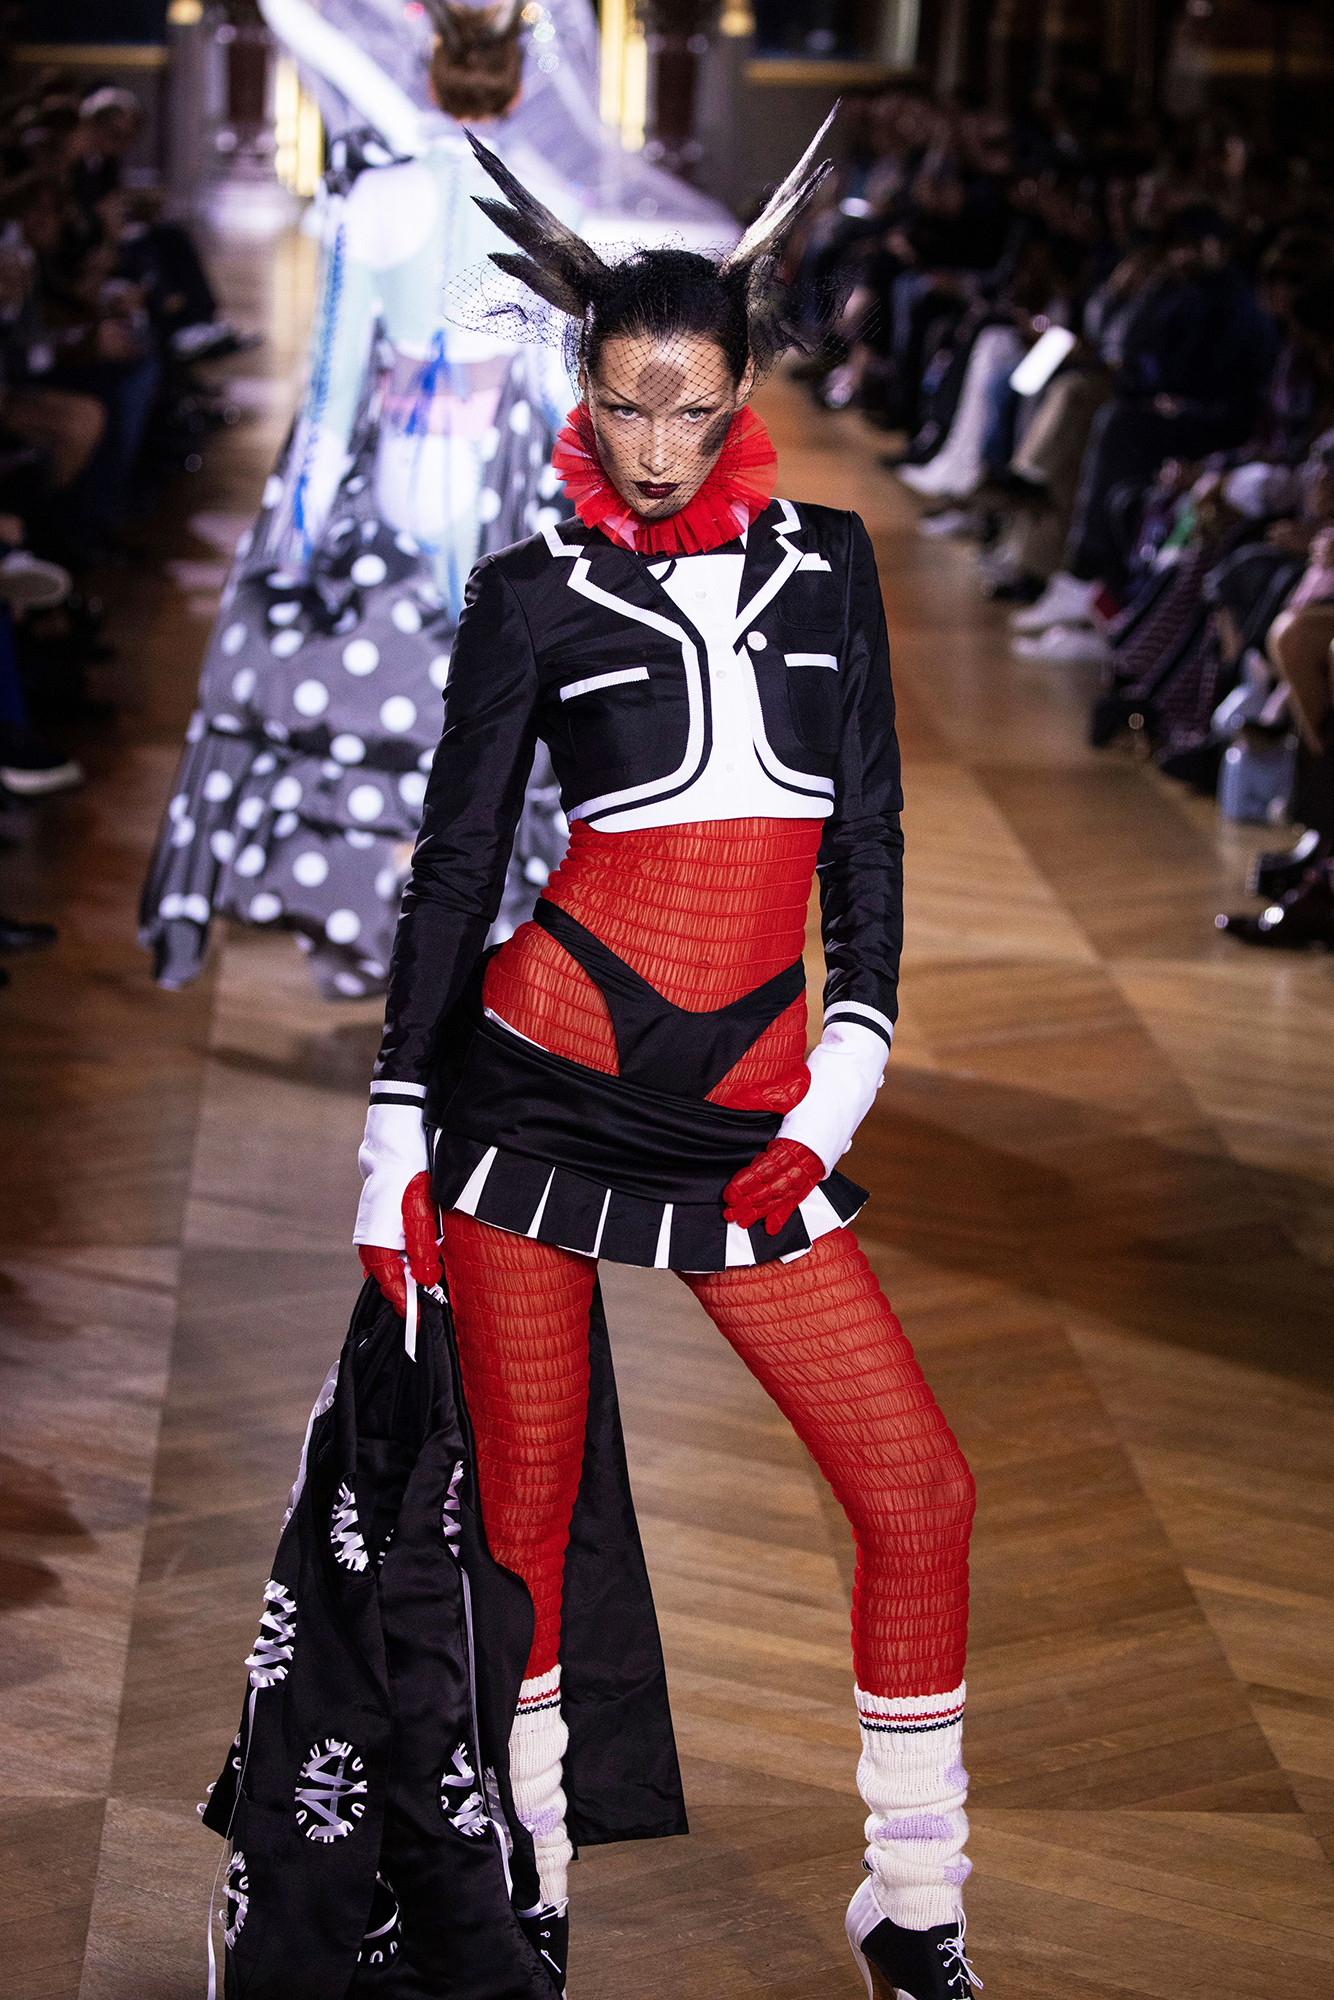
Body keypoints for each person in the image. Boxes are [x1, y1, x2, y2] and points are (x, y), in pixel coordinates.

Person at [349, 122, 979, 2000]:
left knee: (918, 1491)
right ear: (582, 384)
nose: (652, 445)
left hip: (753, 1118)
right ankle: (527, 1878)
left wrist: (842, 1079)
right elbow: (458, 866)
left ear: (740, 391)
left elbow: (865, 840)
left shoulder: (831, 567)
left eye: (690, 408)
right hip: (530, 1092)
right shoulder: (528, 591)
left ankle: (915, 1903)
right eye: (623, 404)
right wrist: (392, 1135)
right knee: (521, 1516)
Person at [140, 1, 578, 1000]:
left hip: (394, 468)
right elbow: (562, 389)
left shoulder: (376, 195)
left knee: (381, 697)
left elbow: (334, 389)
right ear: (520, 84)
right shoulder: (551, 203)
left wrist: (294, 542)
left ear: (429, 75)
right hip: (499, 477)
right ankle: (472, 942)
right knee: (484, 713)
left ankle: (370, 923)